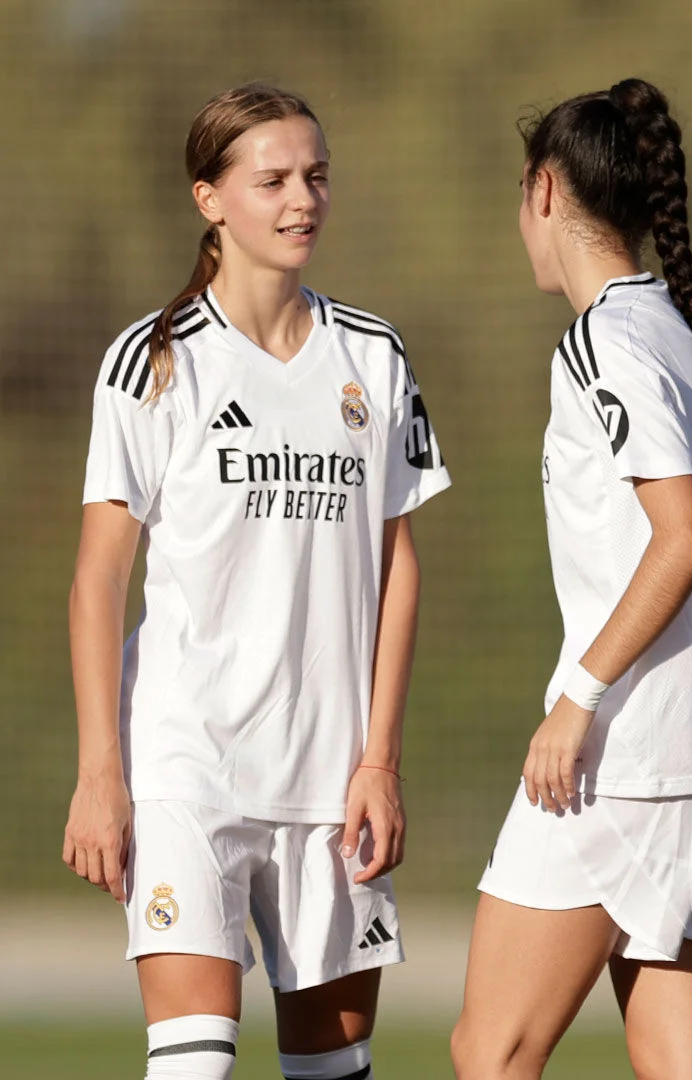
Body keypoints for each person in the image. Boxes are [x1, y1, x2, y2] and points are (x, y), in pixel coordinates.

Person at [62, 83, 449, 1080]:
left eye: (315, 177)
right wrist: (103, 774)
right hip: (188, 765)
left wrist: (380, 762)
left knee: (331, 1073)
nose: (302, 200)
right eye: (271, 179)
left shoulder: (374, 352)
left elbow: (397, 563)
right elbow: (100, 578)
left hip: (332, 780)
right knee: (193, 1063)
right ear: (210, 199)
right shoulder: (153, 362)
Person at [450, 79, 692, 1080]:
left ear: (544, 190)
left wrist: (578, 698)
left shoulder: (608, 341)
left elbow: (682, 537)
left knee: (492, 1050)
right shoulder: (690, 336)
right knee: (680, 1060)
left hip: (633, 755)